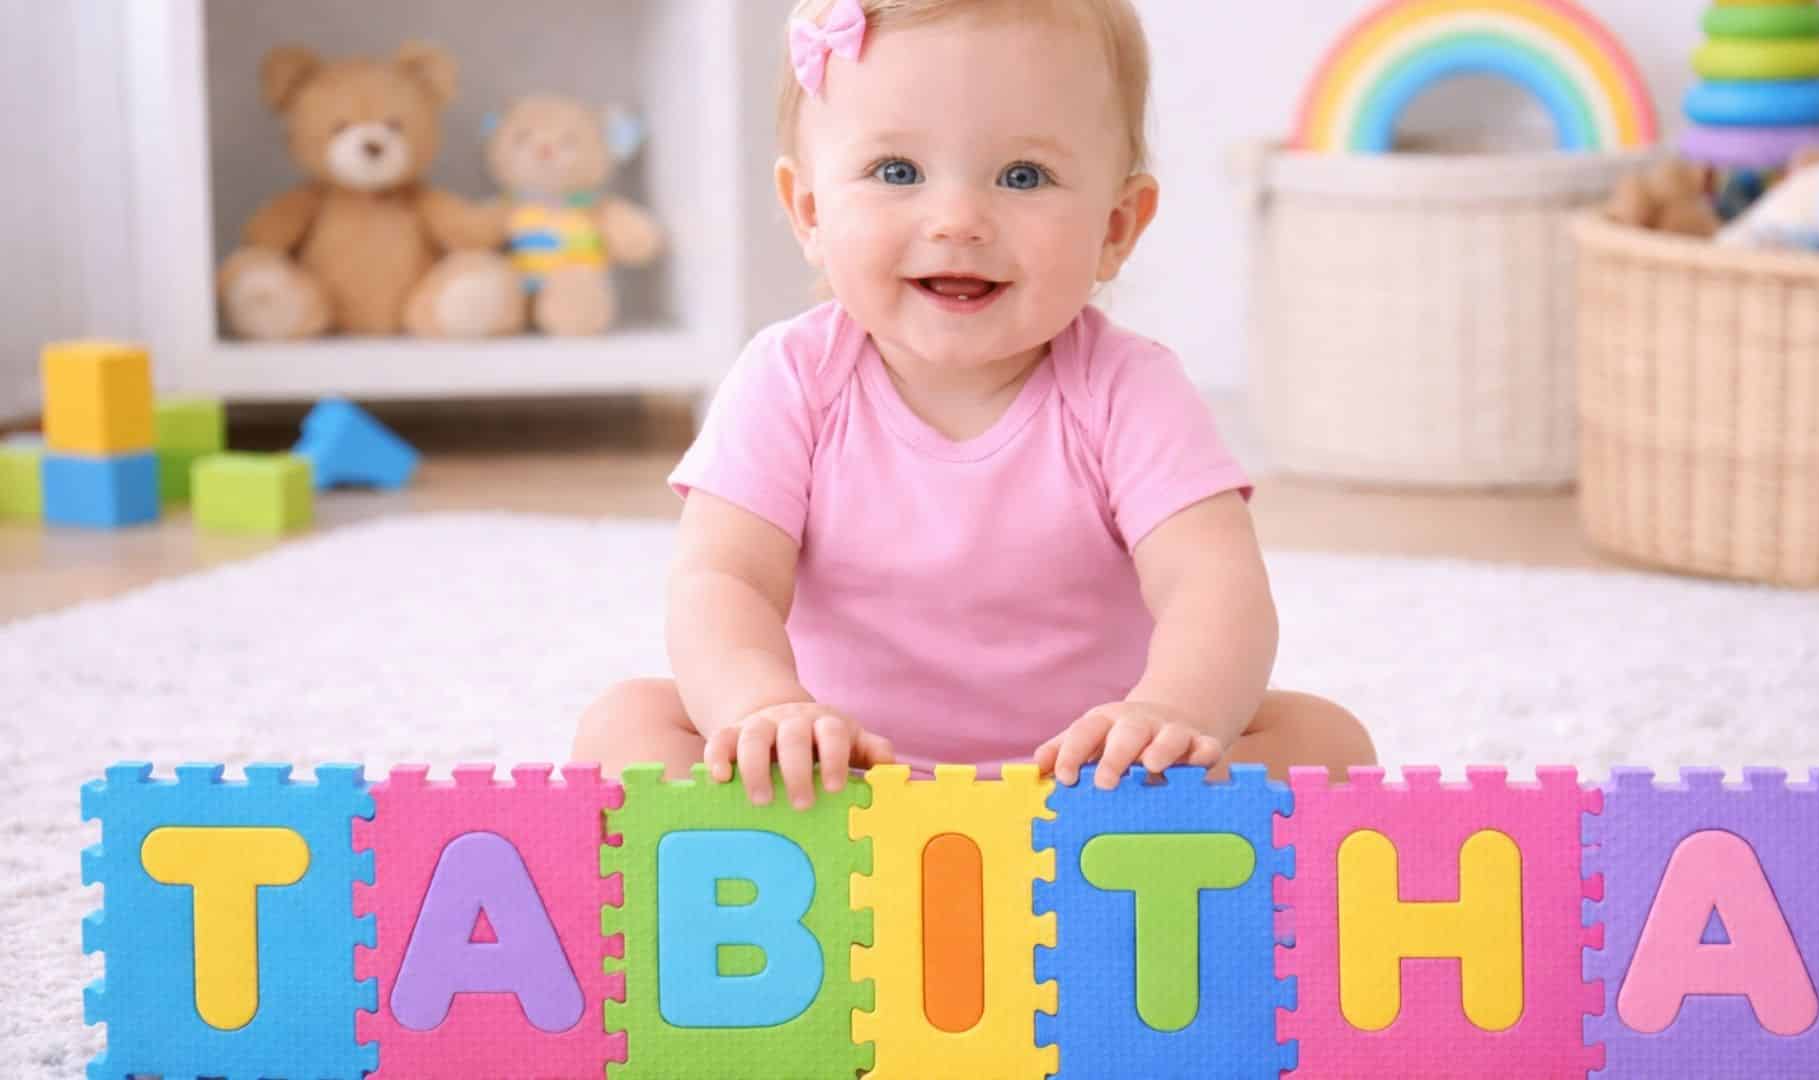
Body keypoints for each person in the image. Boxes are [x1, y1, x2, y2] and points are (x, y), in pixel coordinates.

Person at [573, 0, 1376, 807]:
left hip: (1090, 783)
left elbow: (1214, 587)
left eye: (1023, 177)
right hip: (838, 783)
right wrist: (761, 709)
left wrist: (1167, 714)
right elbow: (722, 580)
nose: (958, 220)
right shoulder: (790, 379)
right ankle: (803, 853)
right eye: (897, 172)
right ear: (810, 211)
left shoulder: (1131, 390)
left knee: (1328, 742)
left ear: (1117, 225)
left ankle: (1118, 848)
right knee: (626, 724)